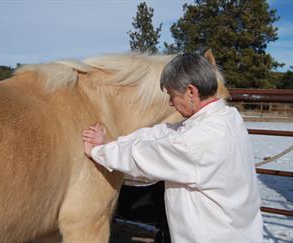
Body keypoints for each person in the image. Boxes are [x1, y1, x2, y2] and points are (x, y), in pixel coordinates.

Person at [82, 53, 263, 243]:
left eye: (172, 95)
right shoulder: (227, 117)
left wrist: (98, 151)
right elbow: (164, 133)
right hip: (239, 231)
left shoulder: (198, 141)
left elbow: (143, 158)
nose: (170, 102)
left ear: (191, 92)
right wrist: (113, 142)